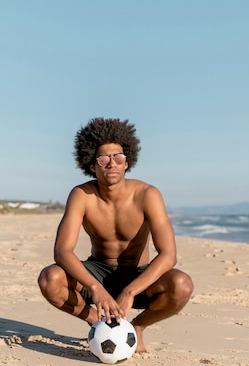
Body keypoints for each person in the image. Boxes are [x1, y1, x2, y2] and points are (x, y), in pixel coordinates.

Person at [38, 117, 193, 353]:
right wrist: (95, 288)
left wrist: (130, 291)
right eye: (103, 158)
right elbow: (62, 251)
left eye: (118, 157)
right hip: (98, 271)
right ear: (92, 165)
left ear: (127, 162)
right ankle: (98, 324)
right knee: (50, 278)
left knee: (181, 285)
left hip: (137, 275)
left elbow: (169, 254)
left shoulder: (147, 194)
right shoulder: (82, 195)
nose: (111, 163)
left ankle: (136, 328)